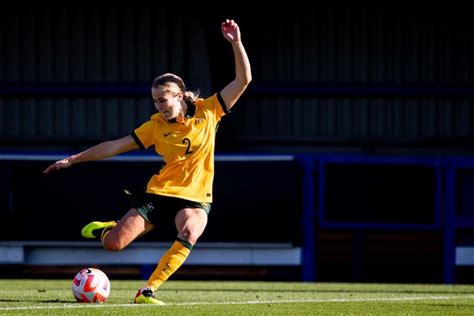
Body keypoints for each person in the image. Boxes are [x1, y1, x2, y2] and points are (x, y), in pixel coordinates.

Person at [43, 18, 251, 305]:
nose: (159, 106)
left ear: (179, 95)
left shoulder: (210, 110)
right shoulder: (155, 126)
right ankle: (106, 228)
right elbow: (114, 146)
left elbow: (243, 81)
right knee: (114, 245)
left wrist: (236, 43)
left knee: (191, 229)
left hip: (196, 196)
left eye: (163, 100)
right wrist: (74, 159)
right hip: (160, 193)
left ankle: (148, 291)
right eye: (155, 101)